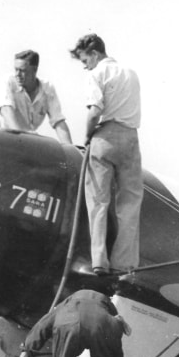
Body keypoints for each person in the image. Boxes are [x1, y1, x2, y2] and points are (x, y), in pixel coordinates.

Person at [69, 33, 142, 275]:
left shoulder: (97, 73)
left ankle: (99, 260)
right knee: (129, 204)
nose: (84, 66)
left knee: (99, 202)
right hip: (131, 139)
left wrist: (87, 137)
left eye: (84, 60)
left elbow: (94, 112)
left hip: (105, 137)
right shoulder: (130, 72)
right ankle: (124, 263)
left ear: (95, 54)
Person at [0, 49, 73, 144]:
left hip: (25, 142)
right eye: (16, 70)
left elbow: (58, 121)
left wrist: (70, 150)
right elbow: (6, 111)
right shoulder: (8, 81)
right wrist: (22, 138)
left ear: (35, 70)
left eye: (22, 71)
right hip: (1, 140)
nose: (17, 75)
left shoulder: (47, 88)